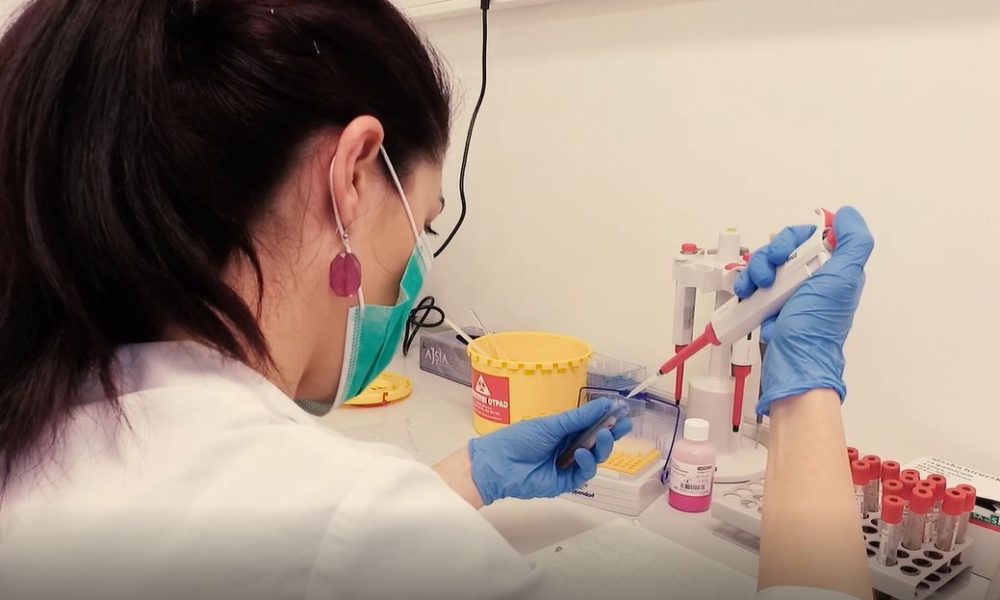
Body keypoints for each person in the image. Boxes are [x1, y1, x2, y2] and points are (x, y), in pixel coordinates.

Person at [0, 1, 875, 599]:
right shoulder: (352, 534)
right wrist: (804, 390)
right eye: (419, 227)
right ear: (352, 174)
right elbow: (333, 544)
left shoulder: (42, 426)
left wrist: (462, 479)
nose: (408, 281)